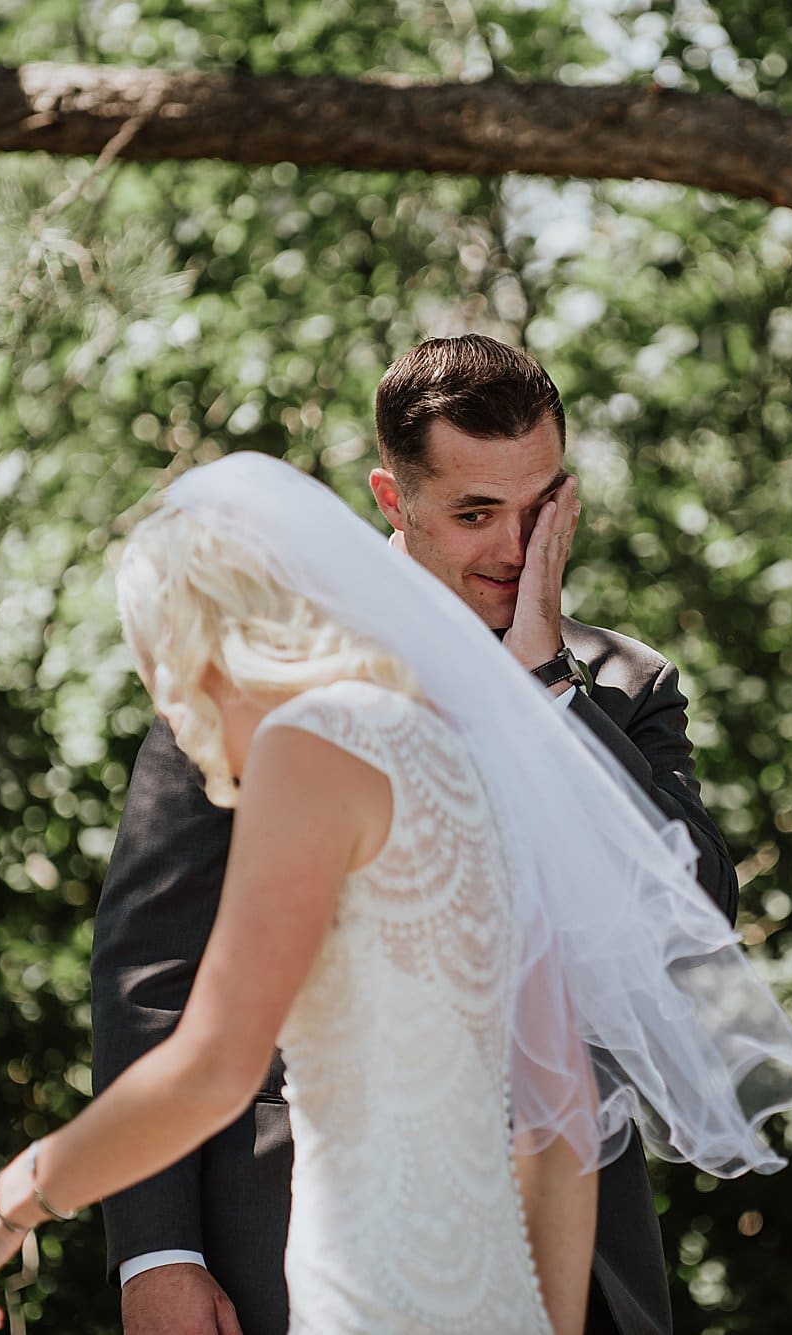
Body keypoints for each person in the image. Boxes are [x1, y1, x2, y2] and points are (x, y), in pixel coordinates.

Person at [0, 451, 792, 1332]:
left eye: (154, 660)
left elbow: (211, 1067)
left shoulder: (310, 748)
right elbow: (558, 1107)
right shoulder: (462, 752)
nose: (165, 696)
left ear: (197, 643)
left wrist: (8, 1205)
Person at [94, 337, 739, 1335]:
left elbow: (690, 920)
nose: (516, 548)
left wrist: (544, 686)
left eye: (538, 509)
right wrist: (157, 1252)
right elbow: (153, 976)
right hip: (307, 1239)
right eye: (474, 514)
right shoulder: (261, 677)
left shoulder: (616, 686)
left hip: (572, 1257)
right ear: (393, 501)